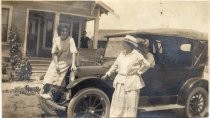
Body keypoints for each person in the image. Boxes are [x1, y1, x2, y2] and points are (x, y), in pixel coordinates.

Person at [101, 35, 151, 117]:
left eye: (125, 44)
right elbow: (115, 65)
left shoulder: (137, 55)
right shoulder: (122, 54)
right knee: (118, 104)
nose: (123, 45)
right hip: (120, 82)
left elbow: (147, 64)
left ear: (130, 45)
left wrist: (139, 72)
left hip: (132, 83)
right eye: (123, 43)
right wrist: (107, 74)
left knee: (130, 105)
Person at [40, 24, 77, 99]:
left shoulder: (70, 39)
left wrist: (73, 64)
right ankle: (46, 89)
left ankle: (52, 93)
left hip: (68, 58)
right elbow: (54, 53)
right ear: (60, 32)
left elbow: (74, 52)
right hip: (59, 58)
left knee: (59, 71)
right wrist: (56, 64)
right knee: (51, 69)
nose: (64, 32)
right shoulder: (57, 40)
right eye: (63, 31)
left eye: (66, 31)